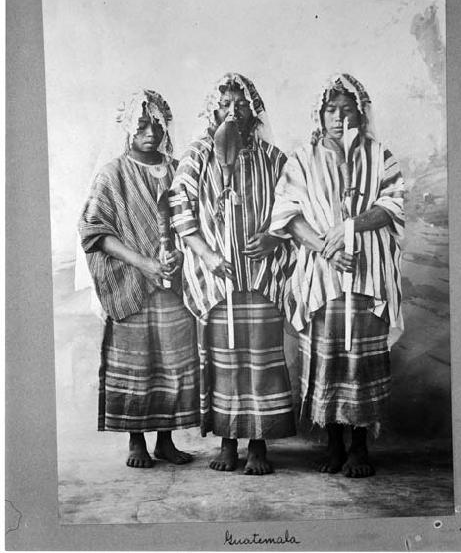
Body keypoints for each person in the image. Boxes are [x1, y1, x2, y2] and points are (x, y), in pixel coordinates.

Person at [269, 73, 405, 477]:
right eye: (332, 109)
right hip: (322, 276)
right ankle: (332, 445)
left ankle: (360, 447)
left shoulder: (379, 155)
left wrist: (350, 229)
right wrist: (326, 248)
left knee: (362, 360)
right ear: (320, 113)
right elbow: (288, 215)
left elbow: (392, 204)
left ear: (360, 114)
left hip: (367, 272)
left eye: (348, 109)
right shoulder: (301, 159)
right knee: (327, 357)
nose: (339, 117)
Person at [169, 73, 296, 475]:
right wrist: (205, 253)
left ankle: (258, 444)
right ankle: (227, 442)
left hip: (259, 276)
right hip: (217, 280)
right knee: (223, 360)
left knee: (260, 358)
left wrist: (274, 238)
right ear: (213, 109)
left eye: (240, 104)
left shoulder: (273, 158)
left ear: (253, 110)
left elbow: (292, 205)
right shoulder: (196, 155)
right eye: (225, 104)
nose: (232, 111)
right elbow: (179, 207)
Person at [79, 89, 199, 468]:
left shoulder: (182, 170)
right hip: (130, 282)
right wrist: (143, 263)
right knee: (135, 363)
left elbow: (196, 223)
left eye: (157, 125)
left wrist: (180, 254)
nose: (150, 132)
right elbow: (95, 230)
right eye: (141, 125)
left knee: (173, 361)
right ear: (128, 128)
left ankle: (165, 439)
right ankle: (136, 441)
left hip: (173, 284)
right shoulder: (112, 174)